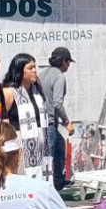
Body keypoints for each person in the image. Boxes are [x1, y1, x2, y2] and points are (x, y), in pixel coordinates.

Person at [2, 54, 52, 182]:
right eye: (30, 68)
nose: (35, 71)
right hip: (20, 146)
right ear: (19, 70)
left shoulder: (37, 91)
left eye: (35, 67)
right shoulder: (9, 92)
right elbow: (3, 122)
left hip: (41, 147)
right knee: (23, 180)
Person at [39, 47, 75, 190]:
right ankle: (46, 186)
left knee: (60, 146)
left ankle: (58, 181)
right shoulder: (59, 76)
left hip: (41, 120)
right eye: (68, 62)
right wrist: (67, 123)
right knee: (49, 155)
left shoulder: (43, 73)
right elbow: (57, 103)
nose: (69, 65)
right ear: (64, 62)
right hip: (49, 122)